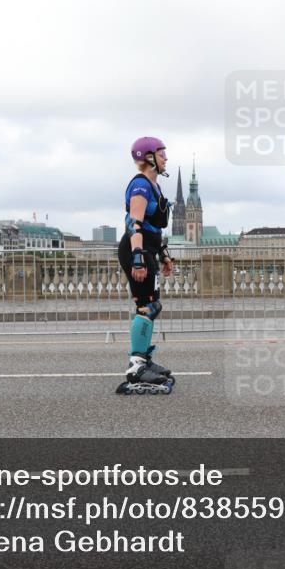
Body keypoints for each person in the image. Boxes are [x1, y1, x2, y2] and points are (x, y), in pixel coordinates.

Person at [115, 137, 176, 395]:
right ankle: (136, 367)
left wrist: (163, 254)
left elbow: (154, 228)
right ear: (149, 157)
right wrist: (139, 256)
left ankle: (144, 359)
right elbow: (135, 223)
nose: (166, 158)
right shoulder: (140, 185)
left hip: (148, 248)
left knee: (153, 305)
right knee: (146, 306)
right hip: (135, 249)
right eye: (162, 154)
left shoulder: (155, 186)